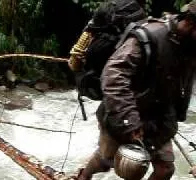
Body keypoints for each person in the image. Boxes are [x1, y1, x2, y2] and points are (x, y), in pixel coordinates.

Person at [73, 1, 196, 179]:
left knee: (165, 169)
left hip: (159, 119)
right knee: (105, 161)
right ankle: (83, 176)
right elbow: (113, 76)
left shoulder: (190, 46)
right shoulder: (149, 37)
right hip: (123, 112)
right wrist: (130, 121)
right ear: (191, 23)